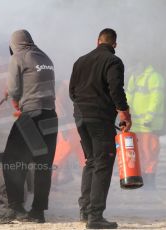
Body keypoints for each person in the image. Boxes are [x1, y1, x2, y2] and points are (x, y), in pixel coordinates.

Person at [69, 28, 131, 229]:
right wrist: (124, 112)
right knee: (103, 163)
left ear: (97, 41)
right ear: (114, 45)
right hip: (99, 119)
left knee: (92, 162)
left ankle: (85, 211)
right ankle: (95, 217)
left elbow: (71, 92)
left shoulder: (80, 61)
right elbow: (115, 89)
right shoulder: (113, 61)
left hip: (80, 117)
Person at [0, 29, 57, 224]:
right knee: (42, 165)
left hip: (32, 115)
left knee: (12, 159)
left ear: (14, 45)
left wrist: (14, 98)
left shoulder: (18, 58)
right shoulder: (45, 57)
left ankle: (15, 208)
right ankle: (38, 212)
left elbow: (14, 90)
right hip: (50, 116)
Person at [126, 64, 164, 189]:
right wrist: (124, 115)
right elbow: (128, 98)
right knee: (139, 155)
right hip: (135, 126)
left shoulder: (154, 78)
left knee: (150, 154)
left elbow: (156, 100)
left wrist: (149, 118)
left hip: (149, 126)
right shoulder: (135, 77)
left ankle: (150, 184)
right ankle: (143, 183)